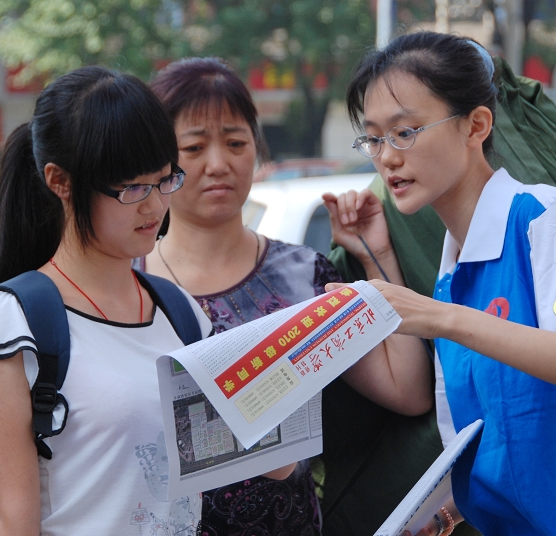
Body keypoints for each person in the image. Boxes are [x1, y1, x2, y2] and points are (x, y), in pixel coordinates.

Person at [324, 31, 556, 535]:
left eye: (405, 132)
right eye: (374, 138)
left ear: (476, 125)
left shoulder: (539, 216)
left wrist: (441, 318)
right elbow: (506, 442)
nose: (387, 157)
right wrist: (446, 510)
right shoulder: (451, 274)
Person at [146, 57, 431, 536]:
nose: (218, 164)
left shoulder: (302, 277)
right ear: (159, 161)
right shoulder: (127, 284)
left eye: (236, 143)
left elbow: (408, 390)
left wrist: (377, 255)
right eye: (193, 147)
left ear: (257, 149)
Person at [0, 66, 212, 535]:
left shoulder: (181, 312)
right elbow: (13, 523)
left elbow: (264, 462)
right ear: (60, 181)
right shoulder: (15, 324)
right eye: (131, 187)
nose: (154, 205)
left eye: (164, 179)